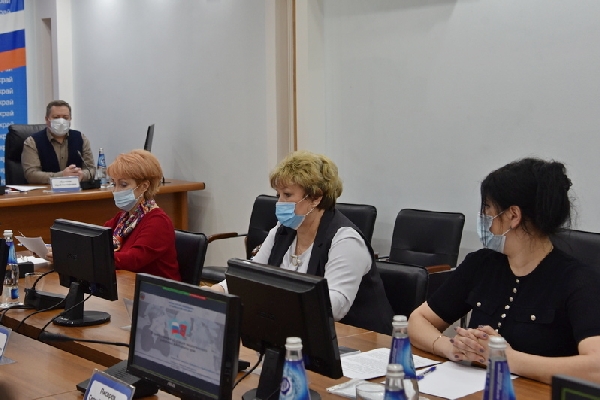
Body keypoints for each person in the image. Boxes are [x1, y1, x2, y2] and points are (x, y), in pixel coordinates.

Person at [408, 158, 600, 384]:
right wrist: (453, 348)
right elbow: (418, 320)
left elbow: (596, 368)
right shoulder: (482, 264)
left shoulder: (578, 280)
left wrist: (506, 359)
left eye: (487, 208)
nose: (484, 218)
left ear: (513, 216)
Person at [212, 150, 393, 334]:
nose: (279, 203)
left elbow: (335, 307)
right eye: (278, 195)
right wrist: (220, 290)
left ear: (316, 198)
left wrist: (275, 299)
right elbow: (251, 274)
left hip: (361, 338)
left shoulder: (346, 241)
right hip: (304, 330)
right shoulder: (282, 230)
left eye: (287, 195)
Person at [103, 149, 180, 281]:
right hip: (127, 284)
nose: (116, 191)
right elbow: (97, 238)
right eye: (114, 184)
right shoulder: (123, 218)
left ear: (144, 186)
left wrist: (95, 256)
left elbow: (133, 260)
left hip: (158, 290)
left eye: (123, 185)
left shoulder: (158, 222)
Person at [21, 100, 95, 184]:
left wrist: (82, 175)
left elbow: (91, 169)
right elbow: (31, 174)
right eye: (56, 117)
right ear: (47, 119)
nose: (61, 122)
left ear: (70, 119)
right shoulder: (32, 142)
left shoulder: (81, 138)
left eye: (65, 118)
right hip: (45, 191)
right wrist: (61, 175)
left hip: (75, 189)